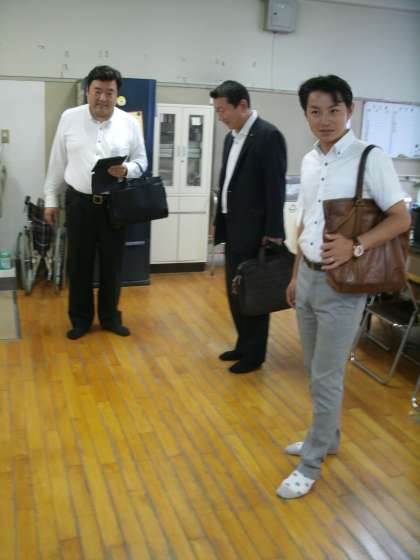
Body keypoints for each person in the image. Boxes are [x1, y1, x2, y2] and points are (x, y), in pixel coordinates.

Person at [277, 75, 410, 499]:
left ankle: (311, 462)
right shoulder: (310, 160)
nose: (325, 120)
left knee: (327, 376)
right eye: (315, 111)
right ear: (306, 115)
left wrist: (356, 245)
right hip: (308, 275)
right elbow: (305, 220)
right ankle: (327, 437)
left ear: (349, 110)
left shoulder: (370, 157)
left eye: (334, 110)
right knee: (313, 370)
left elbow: (400, 218)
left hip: (344, 285)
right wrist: (296, 274)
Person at [44, 65, 147, 340]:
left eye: (109, 92)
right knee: (79, 265)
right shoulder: (69, 118)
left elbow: (142, 161)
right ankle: (80, 320)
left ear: (117, 94)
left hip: (115, 206)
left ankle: (110, 318)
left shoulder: (129, 123)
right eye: (97, 91)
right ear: (87, 91)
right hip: (79, 203)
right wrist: (50, 199)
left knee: (112, 266)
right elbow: (57, 162)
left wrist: (127, 170)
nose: (102, 98)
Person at [211, 80, 287, 374]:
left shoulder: (268, 136)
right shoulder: (231, 138)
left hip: (256, 232)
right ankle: (243, 344)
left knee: (255, 292)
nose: (219, 116)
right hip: (233, 227)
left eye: (222, 110)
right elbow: (227, 185)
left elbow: (275, 189)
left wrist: (274, 233)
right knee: (236, 291)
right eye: (217, 110)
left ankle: (255, 355)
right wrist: (218, 222)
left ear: (242, 105)